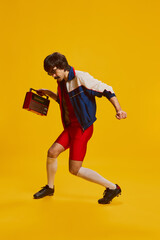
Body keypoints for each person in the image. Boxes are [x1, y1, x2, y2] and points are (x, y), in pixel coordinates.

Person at [33, 52, 127, 204]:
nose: (52, 75)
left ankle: (112, 188)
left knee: (74, 169)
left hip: (82, 128)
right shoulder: (61, 81)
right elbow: (65, 103)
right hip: (71, 127)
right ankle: (50, 188)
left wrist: (119, 109)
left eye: (53, 71)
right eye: (49, 73)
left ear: (62, 67)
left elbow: (107, 89)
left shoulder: (81, 78)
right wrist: (49, 93)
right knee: (52, 152)